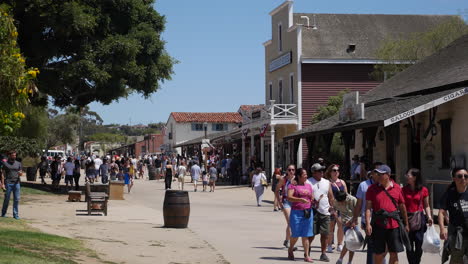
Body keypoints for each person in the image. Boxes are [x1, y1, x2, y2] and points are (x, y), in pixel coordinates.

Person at [365, 164, 409, 264]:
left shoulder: (397, 188)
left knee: (394, 254)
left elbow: (402, 207)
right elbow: (368, 208)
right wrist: (368, 223)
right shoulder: (372, 189)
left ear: (388, 175)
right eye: (377, 174)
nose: (378, 176)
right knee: (378, 253)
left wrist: (406, 224)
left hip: (394, 226)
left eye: (381, 174)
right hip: (378, 225)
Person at [347, 162, 381, 264]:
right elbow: (359, 204)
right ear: (371, 173)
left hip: (382, 219)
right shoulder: (363, 185)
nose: (380, 174)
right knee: (371, 245)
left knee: (381, 246)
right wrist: (354, 219)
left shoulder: (384, 185)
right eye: (377, 172)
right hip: (368, 219)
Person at [402, 168, 432, 264]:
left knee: (419, 245)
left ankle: (416, 261)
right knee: (409, 245)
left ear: (415, 177)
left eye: (408, 175)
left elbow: (426, 205)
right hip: (407, 219)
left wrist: (429, 217)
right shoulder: (403, 190)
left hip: (420, 220)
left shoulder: (424, 190)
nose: (406, 176)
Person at [439, 167, 468, 264]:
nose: (463, 178)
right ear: (454, 179)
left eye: (466, 176)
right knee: (456, 259)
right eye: (460, 176)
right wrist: (442, 229)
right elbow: (441, 212)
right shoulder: (449, 194)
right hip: (457, 233)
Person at [287, 168, 314, 262]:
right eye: (304, 174)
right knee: (296, 234)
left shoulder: (309, 186)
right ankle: (290, 249)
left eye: (306, 174)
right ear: (299, 176)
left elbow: (312, 197)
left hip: (308, 212)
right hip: (296, 212)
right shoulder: (293, 185)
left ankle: (306, 256)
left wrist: (315, 201)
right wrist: (300, 200)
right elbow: (289, 197)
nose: (306, 176)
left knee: (306, 235)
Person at [308, 163, 334, 262]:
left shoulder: (327, 182)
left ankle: (323, 253)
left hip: (325, 212)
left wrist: (332, 207)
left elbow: (331, 196)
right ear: (314, 172)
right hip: (313, 212)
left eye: (322, 170)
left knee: (325, 234)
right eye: (319, 171)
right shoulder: (308, 182)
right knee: (311, 234)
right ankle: (308, 251)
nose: (322, 172)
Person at [325, 164, 348, 253]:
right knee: (331, 228)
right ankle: (329, 245)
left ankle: (340, 244)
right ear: (330, 172)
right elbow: (327, 195)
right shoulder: (328, 182)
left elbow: (346, 195)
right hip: (331, 207)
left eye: (337, 170)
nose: (336, 172)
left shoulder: (342, 182)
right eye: (334, 170)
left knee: (341, 226)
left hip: (341, 208)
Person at [275, 164, 297, 249]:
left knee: (291, 223)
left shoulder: (297, 179)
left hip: (295, 202)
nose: (291, 171)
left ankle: (287, 240)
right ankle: (292, 244)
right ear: (287, 171)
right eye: (289, 170)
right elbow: (277, 190)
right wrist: (279, 203)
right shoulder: (283, 179)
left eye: (293, 170)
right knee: (291, 222)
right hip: (286, 202)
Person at [334, 191, 358, 264]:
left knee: (352, 243)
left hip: (354, 223)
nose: (340, 203)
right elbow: (334, 209)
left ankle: (345, 260)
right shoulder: (336, 201)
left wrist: (352, 222)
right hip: (345, 223)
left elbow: (358, 212)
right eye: (339, 202)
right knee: (349, 241)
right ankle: (341, 259)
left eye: (342, 202)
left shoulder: (353, 200)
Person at [1, 150, 22, 219]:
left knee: (16, 199)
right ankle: (3, 213)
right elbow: (2, 174)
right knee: (7, 199)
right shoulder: (5, 163)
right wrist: (2, 184)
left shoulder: (18, 163)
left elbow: (21, 173)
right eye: (13, 155)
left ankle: (15, 214)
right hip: (8, 183)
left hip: (16, 183)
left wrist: (20, 174)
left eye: (15, 155)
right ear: (9, 156)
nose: (14, 156)